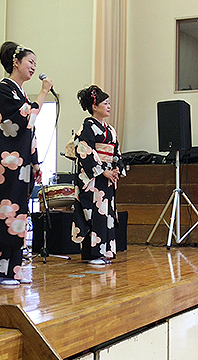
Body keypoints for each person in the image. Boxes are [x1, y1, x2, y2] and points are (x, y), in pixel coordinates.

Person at [0, 41, 53, 285]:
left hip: (20, 163)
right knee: (4, 212)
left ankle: (13, 271)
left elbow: (30, 130)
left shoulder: (18, 92)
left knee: (17, 212)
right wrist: (42, 94)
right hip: (5, 162)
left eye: (35, 64)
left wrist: (36, 163)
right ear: (15, 62)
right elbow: (21, 120)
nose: (33, 67)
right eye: (30, 62)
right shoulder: (3, 88)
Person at [71, 85, 126, 265]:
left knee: (107, 213)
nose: (109, 106)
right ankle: (93, 254)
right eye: (105, 103)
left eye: (109, 103)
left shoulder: (110, 129)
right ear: (95, 107)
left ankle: (106, 252)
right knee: (95, 213)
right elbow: (84, 150)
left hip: (108, 177)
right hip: (94, 179)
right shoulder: (88, 126)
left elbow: (116, 152)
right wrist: (104, 171)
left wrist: (117, 168)